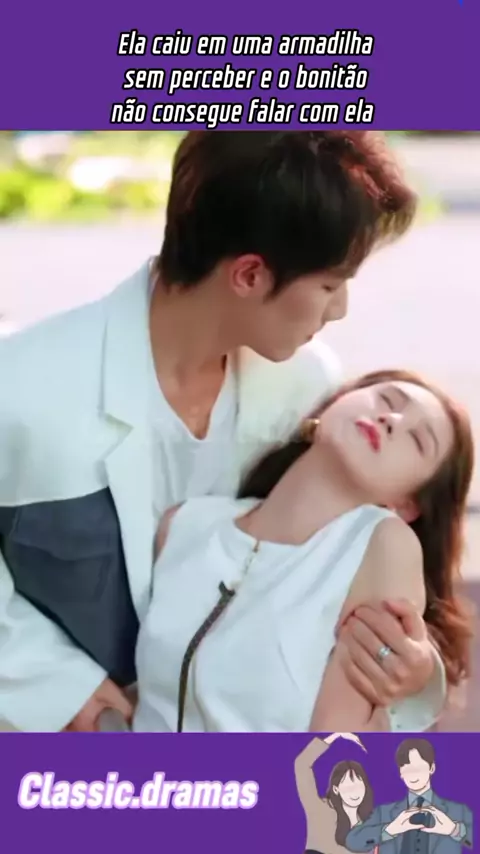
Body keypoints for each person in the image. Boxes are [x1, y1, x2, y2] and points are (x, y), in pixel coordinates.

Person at [0, 131, 441, 732]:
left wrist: (412, 670)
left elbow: (343, 576)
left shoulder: (306, 389)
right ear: (250, 275)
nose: (339, 311)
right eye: (330, 285)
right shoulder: (21, 387)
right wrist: (57, 686)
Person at [132, 369, 473, 732]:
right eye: (386, 399)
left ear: (407, 505)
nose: (392, 420)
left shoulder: (384, 549)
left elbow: (330, 755)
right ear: (334, 404)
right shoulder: (185, 524)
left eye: (418, 440)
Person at [346, 738, 473, 852]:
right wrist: (390, 830)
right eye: (407, 769)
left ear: (432, 768)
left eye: (418, 768)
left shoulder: (458, 811)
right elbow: (353, 841)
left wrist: (453, 829)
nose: (413, 775)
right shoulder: (383, 812)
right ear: (400, 773)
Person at [294, 732, 375, 854]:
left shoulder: (369, 822)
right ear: (336, 789)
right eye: (348, 787)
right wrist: (336, 735)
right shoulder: (321, 809)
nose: (354, 792)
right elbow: (301, 765)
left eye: (358, 785)